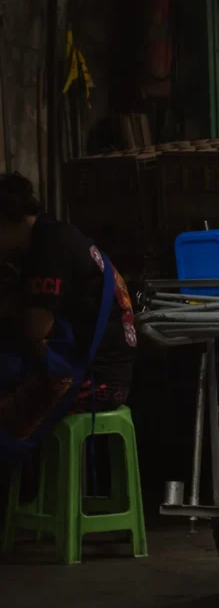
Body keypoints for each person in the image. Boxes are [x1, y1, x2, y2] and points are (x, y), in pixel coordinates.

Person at [0, 173, 136, 450]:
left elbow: (34, 329)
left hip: (96, 380)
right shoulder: (52, 233)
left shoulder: (49, 247)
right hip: (95, 367)